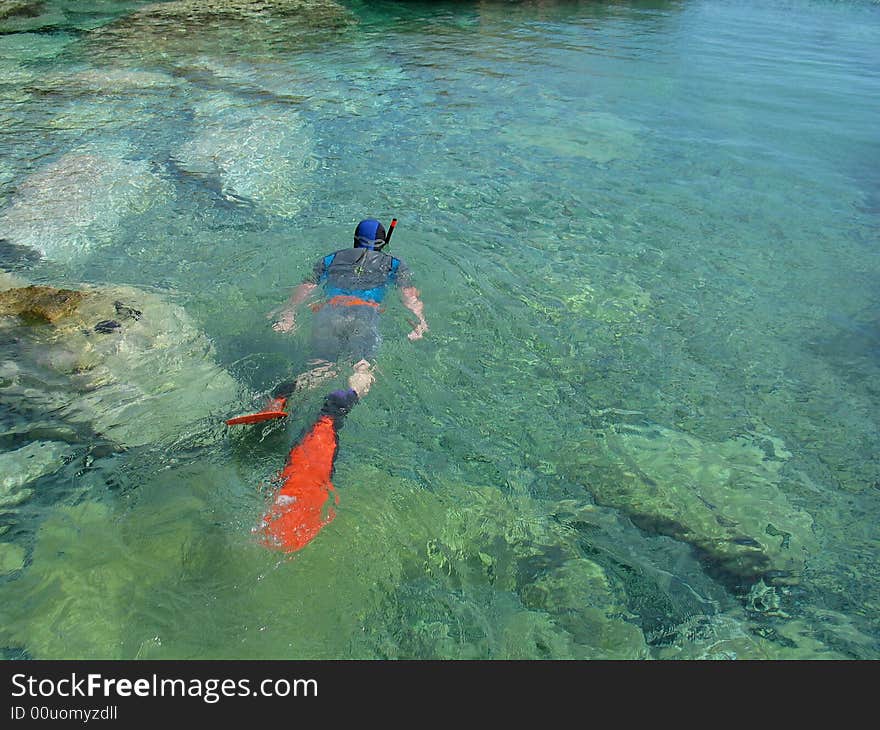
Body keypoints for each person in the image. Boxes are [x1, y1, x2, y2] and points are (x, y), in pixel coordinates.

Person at [228, 218, 427, 424]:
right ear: (383, 242)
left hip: (329, 313)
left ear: (355, 239)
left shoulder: (330, 259)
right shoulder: (394, 264)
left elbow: (307, 287)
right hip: (364, 315)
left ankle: (282, 395)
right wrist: (420, 321)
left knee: (321, 368)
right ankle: (337, 407)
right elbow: (409, 295)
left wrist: (288, 314)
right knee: (363, 368)